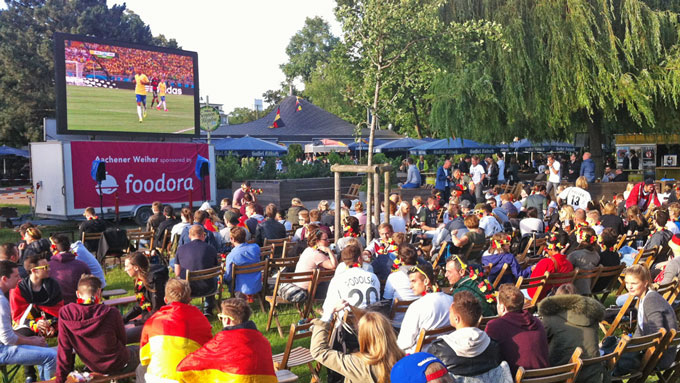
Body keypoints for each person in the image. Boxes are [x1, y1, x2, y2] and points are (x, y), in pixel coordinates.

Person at [56, 275, 139, 383]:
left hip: (93, 365)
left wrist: (60, 379)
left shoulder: (66, 313)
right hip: (118, 362)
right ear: (99, 292)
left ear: (77, 294)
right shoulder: (111, 312)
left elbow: (64, 349)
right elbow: (122, 340)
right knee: (146, 351)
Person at [177, 298, 277, 382]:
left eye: (220, 317)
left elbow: (185, 367)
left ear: (227, 319)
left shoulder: (221, 342)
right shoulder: (263, 341)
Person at [137, 278, 213, 383]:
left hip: (158, 378)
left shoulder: (152, 321)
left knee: (140, 369)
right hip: (189, 378)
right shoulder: (201, 320)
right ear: (189, 299)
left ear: (166, 299)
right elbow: (208, 352)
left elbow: (144, 358)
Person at [430, 291, 510, 380]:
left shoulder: (439, 348)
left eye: (450, 312)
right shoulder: (493, 345)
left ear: (457, 318)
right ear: (479, 319)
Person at [0, 260, 57, 381]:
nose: (19, 278)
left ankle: (40, 378)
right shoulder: (1, 301)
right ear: (4, 279)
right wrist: (31, 341)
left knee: (44, 346)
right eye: (16, 276)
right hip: (2, 350)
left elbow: (5, 331)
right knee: (52, 356)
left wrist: (31, 339)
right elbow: (7, 338)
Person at [536, 284, 605, 383]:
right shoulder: (591, 315)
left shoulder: (550, 318)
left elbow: (540, 342)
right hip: (593, 374)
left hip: (563, 375)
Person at [311, 310, 405, 383]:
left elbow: (319, 351)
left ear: (363, 337)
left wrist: (326, 317)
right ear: (389, 331)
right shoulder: (403, 358)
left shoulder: (356, 364)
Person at [617, 265, 678, 374]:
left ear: (645, 283)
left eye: (634, 283)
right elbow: (640, 331)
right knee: (613, 350)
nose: (629, 287)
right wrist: (629, 345)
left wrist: (629, 348)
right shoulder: (644, 298)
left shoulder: (651, 300)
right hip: (656, 352)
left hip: (659, 357)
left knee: (610, 359)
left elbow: (657, 334)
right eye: (627, 283)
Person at [485, 284, 550, 376]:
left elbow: (488, 357)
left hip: (516, 378)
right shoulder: (537, 322)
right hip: (545, 378)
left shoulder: (495, 326)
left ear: (502, 307)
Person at [398, 263, 453, 353]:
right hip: (447, 352)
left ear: (426, 281)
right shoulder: (451, 300)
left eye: (414, 281)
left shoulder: (416, 307)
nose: (410, 286)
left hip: (421, 357)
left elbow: (404, 343)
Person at [321, 245, 380, 321]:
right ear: (359, 259)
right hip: (373, 321)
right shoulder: (373, 276)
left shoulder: (338, 279)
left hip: (350, 325)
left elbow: (327, 308)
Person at [123, 252, 168, 343]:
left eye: (127, 266)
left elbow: (157, 309)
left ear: (136, 267)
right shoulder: (141, 280)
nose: (125, 269)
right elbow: (141, 305)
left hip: (159, 322)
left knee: (123, 336)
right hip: (149, 319)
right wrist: (125, 318)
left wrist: (139, 322)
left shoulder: (153, 281)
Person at [175, 225, 219, 315]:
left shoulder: (181, 249)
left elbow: (177, 272)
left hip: (188, 289)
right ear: (203, 235)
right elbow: (215, 270)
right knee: (212, 278)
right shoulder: (211, 249)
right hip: (209, 288)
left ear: (189, 236)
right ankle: (208, 307)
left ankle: (187, 308)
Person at [527, 232, 574, 300]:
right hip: (560, 297)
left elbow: (533, 288)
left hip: (541, 297)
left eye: (547, 247)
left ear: (552, 248)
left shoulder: (546, 263)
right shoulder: (569, 264)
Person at [384, 245, 421, 328]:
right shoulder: (423, 276)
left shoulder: (394, 277)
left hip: (397, 323)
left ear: (400, 259)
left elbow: (387, 299)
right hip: (417, 322)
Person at [48, 234, 91, 304]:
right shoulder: (82, 265)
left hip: (56, 306)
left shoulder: (47, 267)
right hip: (79, 305)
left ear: (53, 248)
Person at [223, 226, 262, 297]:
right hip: (256, 284)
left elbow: (228, 277)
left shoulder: (231, 256)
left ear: (232, 239)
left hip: (240, 288)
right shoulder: (255, 247)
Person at [567, 227, 600, 294]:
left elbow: (566, 269)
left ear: (582, 238)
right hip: (587, 288)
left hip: (572, 288)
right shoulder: (597, 255)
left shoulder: (575, 255)